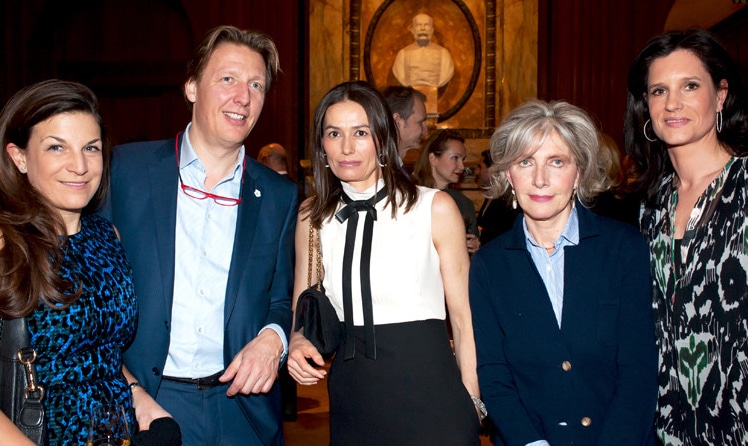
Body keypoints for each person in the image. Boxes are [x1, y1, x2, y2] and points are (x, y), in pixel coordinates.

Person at [106, 26, 298, 445]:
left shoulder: (279, 195)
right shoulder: (126, 172)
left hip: (243, 410)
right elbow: (89, 294)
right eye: (227, 79)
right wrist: (130, 389)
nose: (242, 97)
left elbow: (280, 299)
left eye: (256, 85)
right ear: (192, 87)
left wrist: (272, 340)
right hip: (147, 406)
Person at [286, 80, 482, 445]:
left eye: (360, 132)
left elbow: (463, 317)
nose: (346, 147)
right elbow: (303, 308)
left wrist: (472, 401)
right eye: (334, 133)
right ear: (322, 145)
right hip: (353, 400)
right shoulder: (311, 217)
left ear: (381, 138)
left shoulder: (434, 207)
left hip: (433, 398)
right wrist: (298, 343)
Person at [470, 99, 658, 446]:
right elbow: (494, 376)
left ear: (579, 172)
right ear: (508, 175)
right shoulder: (489, 265)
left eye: (556, 162)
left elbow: (639, 370)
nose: (540, 179)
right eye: (525, 162)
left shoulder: (624, 249)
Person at [624, 28, 748, 445]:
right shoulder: (651, 202)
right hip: (664, 422)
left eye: (690, 86)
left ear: (721, 96)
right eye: (658, 91)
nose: (672, 103)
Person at [0, 79, 137, 444]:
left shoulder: (107, 237)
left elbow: (101, 351)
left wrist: (145, 403)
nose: (79, 165)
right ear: (20, 157)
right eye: (57, 147)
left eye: (90, 148)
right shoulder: (6, 243)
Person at [413, 129, 480, 255]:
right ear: (433, 158)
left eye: (462, 159)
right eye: (455, 158)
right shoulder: (409, 197)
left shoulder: (464, 204)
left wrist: (476, 248)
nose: (461, 166)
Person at [392, 13, 455, 88]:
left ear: (432, 30)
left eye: (426, 25)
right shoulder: (402, 54)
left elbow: (446, 74)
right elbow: (400, 76)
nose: (423, 28)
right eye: (418, 25)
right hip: (411, 94)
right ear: (412, 30)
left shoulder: (444, 54)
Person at [474, 149, 520, 245]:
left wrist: (481, 232)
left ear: (492, 169)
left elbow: (506, 233)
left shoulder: (509, 198)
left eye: (480, 167)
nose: (476, 172)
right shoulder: (490, 195)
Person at [381, 85, 428, 164]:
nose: (425, 132)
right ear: (397, 121)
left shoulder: (390, 166)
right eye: (420, 122)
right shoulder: (379, 171)